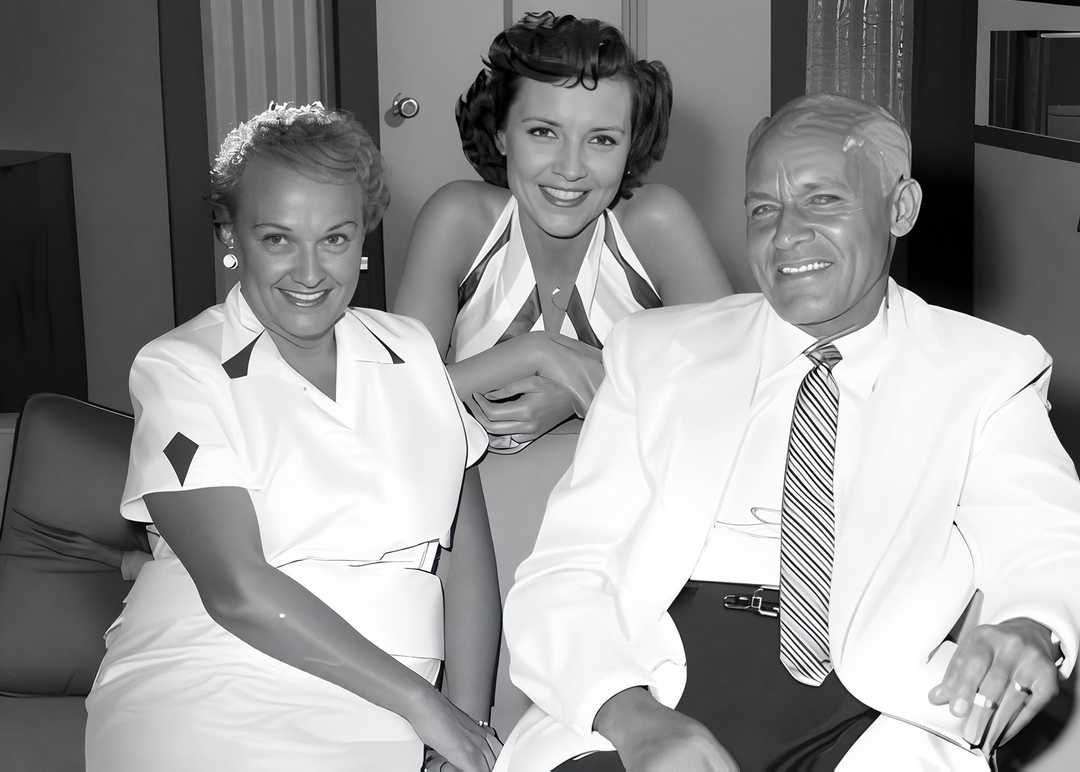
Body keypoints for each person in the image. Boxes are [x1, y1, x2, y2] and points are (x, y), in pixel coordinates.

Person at [496, 93, 1080, 771]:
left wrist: (1032, 626)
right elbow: (566, 571)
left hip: (872, 705)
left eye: (823, 200)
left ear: (901, 209)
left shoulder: (984, 371)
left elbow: (1044, 539)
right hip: (654, 682)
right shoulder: (655, 353)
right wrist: (634, 719)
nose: (786, 235)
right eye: (763, 210)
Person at [85, 103, 502, 772]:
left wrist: (468, 725)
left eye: (334, 238)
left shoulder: (415, 355)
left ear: (363, 237)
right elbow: (237, 589)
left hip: (382, 702)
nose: (310, 273)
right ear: (231, 235)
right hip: (206, 679)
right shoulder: (180, 369)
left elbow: (466, 563)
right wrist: (428, 709)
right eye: (278, 239)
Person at [393, 11, 731, 734]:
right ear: (500, 133)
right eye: (544, 131)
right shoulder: (459, 219)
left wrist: (587, 393)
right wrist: (538, 353)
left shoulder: (655, 223)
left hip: (619, 533)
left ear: (631, 145)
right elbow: (389, 400)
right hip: (467, 535)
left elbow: (735, 389)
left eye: (601, 139)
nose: (571, 168)